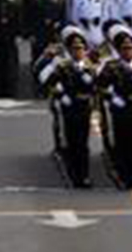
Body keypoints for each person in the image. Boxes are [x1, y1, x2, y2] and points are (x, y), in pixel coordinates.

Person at [41, 26, 97, 188]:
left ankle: (84, 175)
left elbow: (97, 86)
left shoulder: (89, 67)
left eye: (81, 49)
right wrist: (60, 94)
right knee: (72, 142)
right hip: (69, 107)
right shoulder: (63, 66)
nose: (78, 52)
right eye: (75, 49)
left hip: (84, 107)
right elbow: (48, 82)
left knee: (83, 144)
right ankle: (74, 175)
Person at [98, 26, 132, 189]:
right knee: (120, 143)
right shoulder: (111, 66)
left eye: (131, 48)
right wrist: (113, 97)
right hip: (119, 109)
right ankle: (122, 176)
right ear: (118, 50)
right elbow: (101, 86)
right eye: (124, 49)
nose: (128, 51)